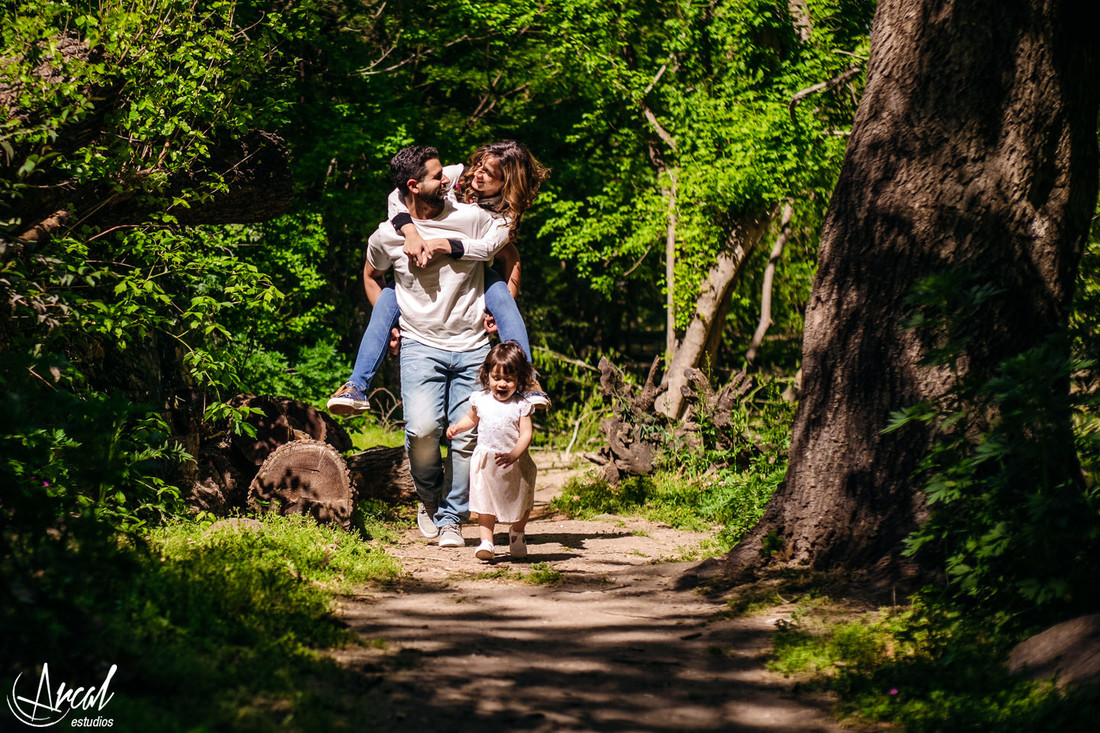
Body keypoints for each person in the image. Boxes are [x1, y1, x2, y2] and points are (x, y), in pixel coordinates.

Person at [327, 140, 550, 416]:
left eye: (489, 173)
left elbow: (494, 251)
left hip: (470, 273)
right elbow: (398, 195)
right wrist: (410, 232)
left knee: (502, 298)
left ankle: (528, 379)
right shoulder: (455, 176)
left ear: (508, 182)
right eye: (479, 164)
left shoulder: (507, 213)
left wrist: (446, 244)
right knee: (387, 299)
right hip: (419, 273)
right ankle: (356, 386)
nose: (478, 173)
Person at [358, 145, 510, 548]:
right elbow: (371, 276)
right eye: (438, 176)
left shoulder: (472, 218)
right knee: (424, 430)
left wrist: (503, 298)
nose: (450, 180)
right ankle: (429, 497)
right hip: (420, 345)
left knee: (465, 437)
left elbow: (505, 252)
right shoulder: (389, 234)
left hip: (473, 344)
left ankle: (451, 518)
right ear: (413, 186)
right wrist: (386, 320)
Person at [446, 341, 537, 561]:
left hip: (514, 462)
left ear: (519, 379)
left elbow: (526, 433)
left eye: (509, 379)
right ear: (487, 376)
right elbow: (471, 418)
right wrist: (458, 427)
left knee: (521, 501)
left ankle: (517, 533)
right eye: (497, 378)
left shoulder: (521, 405)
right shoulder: (481, 400)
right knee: (484, 503)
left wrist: (515, 454)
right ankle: (486, 541)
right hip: (487, 462)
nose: (502, 384)